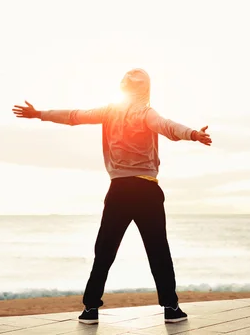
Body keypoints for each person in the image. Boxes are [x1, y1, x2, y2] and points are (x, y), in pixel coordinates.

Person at [12, 68, 212, 325]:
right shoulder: (146, 113)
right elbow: (167, 127)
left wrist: (39, 114)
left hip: (118, 190)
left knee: (104, 251)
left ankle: (90, 309)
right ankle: (171, 308)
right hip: (147, 190)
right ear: (146, 89)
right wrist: (193, 134)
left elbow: (74, 116)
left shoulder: (109, 111)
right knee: (158, 250)